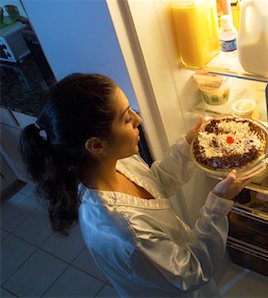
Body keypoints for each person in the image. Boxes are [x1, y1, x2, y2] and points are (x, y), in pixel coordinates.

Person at [20, 73, 250, 297]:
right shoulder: (124, 233)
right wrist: (216, 207)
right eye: (126, 118)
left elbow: (155, 184)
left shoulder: (115, 161)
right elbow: (190, 273)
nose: (137, 119)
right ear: (97, 145)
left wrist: (189, 146)